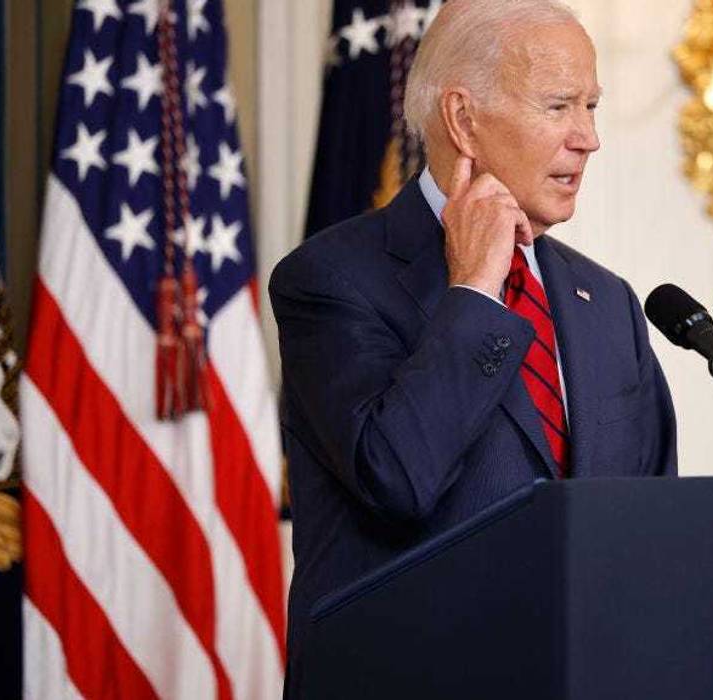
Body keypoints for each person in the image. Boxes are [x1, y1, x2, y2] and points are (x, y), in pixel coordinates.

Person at [269, 0, 677, 689]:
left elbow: (653, 524)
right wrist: (475, 291)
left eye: (591, 107)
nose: (587, 138)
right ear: (463, 119)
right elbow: (395, 478)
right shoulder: (331, 281)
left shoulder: (606, 302)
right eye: (558, 107)